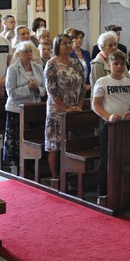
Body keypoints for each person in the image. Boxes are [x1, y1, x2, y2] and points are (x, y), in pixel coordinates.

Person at [92, 50, 130, 199]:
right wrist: (109, 117)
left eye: (121, 64)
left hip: (125, 124)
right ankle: (103, 193)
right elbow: (96, 105)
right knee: (107, 158)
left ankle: (122, 190)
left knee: (125, 157)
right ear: (109, 65)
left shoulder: (129, 82)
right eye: (115, 64)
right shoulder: (103, 81)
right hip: (108, 125)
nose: (119, 66)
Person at [44, 34, 85, 185]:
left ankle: (70, 177)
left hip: (74, 108)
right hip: (57, 110)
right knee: (55, 145)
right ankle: (55, 178)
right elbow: (52, 91)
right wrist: (65, 108)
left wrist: (79, 105)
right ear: (57, 46)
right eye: (64, 43)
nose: (68, 46)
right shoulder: (52, 64)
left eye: (69, 43)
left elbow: (83, 86)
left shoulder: (76, 62)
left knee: (72, 142)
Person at [3, 41, 46, 169]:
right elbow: (11, 93)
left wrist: (37, 89)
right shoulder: (12, 69)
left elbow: (44, 89)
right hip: (17, 110)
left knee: (34, 137)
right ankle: (18, 166)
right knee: (18, 141)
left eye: (30, 51)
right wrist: (28, 88)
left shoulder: (38, 67)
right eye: (26, 52)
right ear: (19, 54)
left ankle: (33, 166)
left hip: (34, 109)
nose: (29, 54)